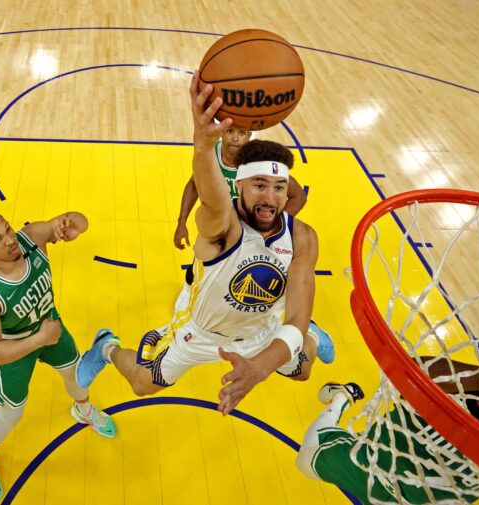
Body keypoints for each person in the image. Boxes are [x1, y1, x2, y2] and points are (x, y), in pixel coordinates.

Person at [75, 73, 334, 415]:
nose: (271, 198)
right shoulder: (221, 226)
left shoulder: (302, 237)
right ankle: (106, 348)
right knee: (141, 385)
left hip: (261, 328)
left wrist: (260, 366)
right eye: (259, 185)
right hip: (202, 332)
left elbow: (297, 315)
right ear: (239, 185)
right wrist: (201, 145)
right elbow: (210, 197)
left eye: (279, 187)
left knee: (301, 370)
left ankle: (315, 337)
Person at [0, 210, 119, 502]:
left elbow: (80, 221)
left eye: (8, 230)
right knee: (13, 413)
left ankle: (82, 410)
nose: (10, 241)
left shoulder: (32, 237)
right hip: (14, 347)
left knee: (77, 375)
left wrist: (71, 224)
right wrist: (39, 339)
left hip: (48, 326)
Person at [297, 356, 479, 504]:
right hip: (365, 465)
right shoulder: (450, 389)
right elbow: (409, 370)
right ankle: (342, 397)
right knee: (305, 460)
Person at [173, 124, 307, 251]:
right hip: (216, 228)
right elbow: (194, 184)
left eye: (241, 133)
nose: (235, 138)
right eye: (230, 131)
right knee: (202, 269)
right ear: (222, 132)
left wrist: (275, 225)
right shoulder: (210, 154)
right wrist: (182, 222)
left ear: (248, 136)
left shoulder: (258, 161)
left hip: (248, 232)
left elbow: (298, 196)